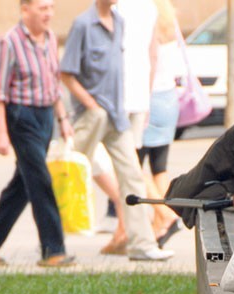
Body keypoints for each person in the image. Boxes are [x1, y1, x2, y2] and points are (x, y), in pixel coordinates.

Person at [60, 0, 174, 262]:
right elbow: (66, 74)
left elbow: (122, 69)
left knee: (132, 177)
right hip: (91, 115)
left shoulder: (120, 21)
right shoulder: (83, 25)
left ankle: (142, 245)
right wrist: (90, 103)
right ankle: (52, 240)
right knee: (69, 172)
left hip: (117, 114)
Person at [0, 0, 75, 268]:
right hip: (21, 117)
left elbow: (53, 82)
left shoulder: (50, 38)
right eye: (42, 8)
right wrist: (1, 133)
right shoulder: (10, 42)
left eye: (51, 8)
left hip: (45, 116)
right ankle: (53, 250)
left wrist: (63, 118)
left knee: (24, 183)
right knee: (40, 180)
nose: (48, 13)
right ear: (25, 10)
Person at [139, 0, 185, 248]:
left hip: (151, 96)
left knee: (132, 165)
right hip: (170, 97)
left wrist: (143, 100)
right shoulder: (171, 21)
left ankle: (164, 216)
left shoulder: (146, 20)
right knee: (159, 167)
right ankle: (164, 220)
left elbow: (149, 61)